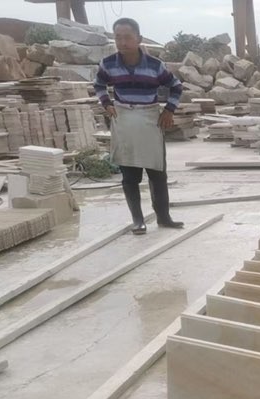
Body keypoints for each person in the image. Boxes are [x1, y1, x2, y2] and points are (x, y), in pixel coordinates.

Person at [94, 17, 184, 235]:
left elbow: (176, 86)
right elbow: (98, 84)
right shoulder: (108, 64)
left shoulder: (155, 65)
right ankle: (138, 220)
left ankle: (164, 217)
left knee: (157, 173)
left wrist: (169, 110)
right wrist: (106, 103)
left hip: (149, 121)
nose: (122, 42)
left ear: (139, 39)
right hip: (124, 121)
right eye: (118, 38)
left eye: (127, 37)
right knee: (130, 176)